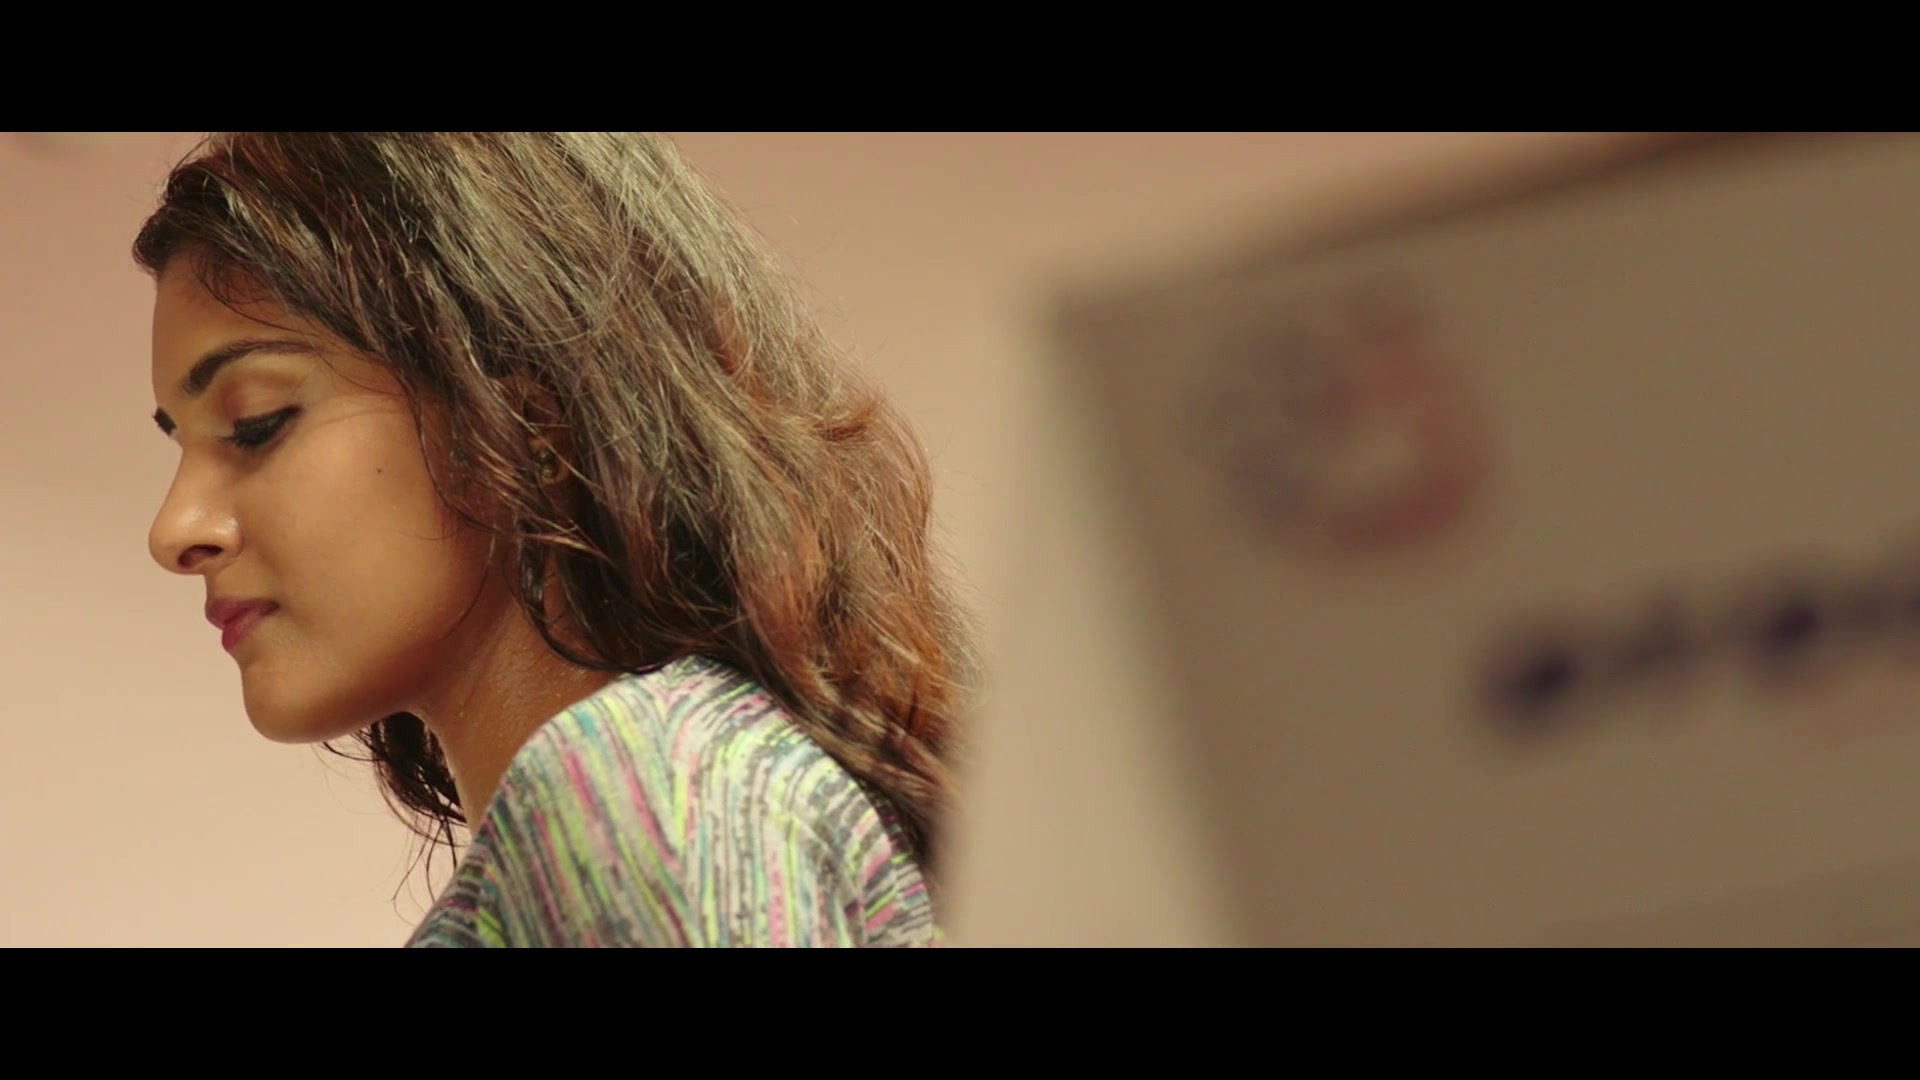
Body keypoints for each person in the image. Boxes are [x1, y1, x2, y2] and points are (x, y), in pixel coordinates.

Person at [135, 132, 969, 947]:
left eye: (256, 423)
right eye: (181, 443)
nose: (175, 530)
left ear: (523, 422)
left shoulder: (650, 785)